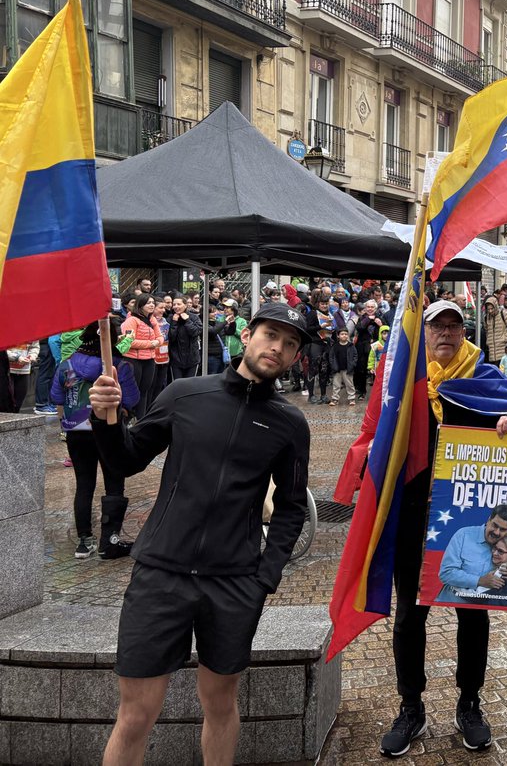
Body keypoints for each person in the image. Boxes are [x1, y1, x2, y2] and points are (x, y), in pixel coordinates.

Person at [87, 302, 312, 766]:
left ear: (295, 357)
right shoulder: (185, 394)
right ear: (246, 336)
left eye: (290, 343)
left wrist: (265, 576)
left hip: (234, 583)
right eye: (271, 335)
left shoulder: (290, 423)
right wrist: (106, 419)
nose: (278, 347)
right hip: (160, 574)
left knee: (221, 703)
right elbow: (125, 459)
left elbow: (292, 506)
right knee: (135, 714)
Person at [381, 300, 507, 757]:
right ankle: (410, 706)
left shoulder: (484, 378)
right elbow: (378, 433)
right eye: (438, 326)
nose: (447, 334)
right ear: (425, 333)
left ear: (464, 333)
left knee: (473, 611)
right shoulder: (405, 382)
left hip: (470, 520)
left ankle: (470, 703)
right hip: (414, 515)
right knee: (410, 615)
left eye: (455, 326)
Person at [50, 317, 140, 559]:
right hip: (109, 431)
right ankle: (109, 541)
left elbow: (56, 398)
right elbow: (131, 399)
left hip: (75, 431)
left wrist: (65, 424)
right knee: (114, 481)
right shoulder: (118, 366)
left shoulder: (67, 365)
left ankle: (84, 541)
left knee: (84, 483)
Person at [435, 505, 507, 606]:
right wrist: (479, 581)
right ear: (489, 520)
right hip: (450, 604)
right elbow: (446, 573)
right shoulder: (463, 535)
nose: (497, 532)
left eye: (502, 529)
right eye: (495, 525)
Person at [121, 294, 162, 419]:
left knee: (144, 391)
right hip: (133, 360)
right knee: (132, 392)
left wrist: (157, 342)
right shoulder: (131, 320)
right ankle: (128, 419)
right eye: (148, 303)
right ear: (140, 305)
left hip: (149, 360)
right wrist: (151, 344)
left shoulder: (152, 320)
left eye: (153, 303)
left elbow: (160, 337)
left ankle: (141, 420)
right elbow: (129, 342)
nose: (152, 305)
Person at [166, 297, 201, 382]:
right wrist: (174, 322)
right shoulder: (170, 318)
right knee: (177, 384)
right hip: (176, 359)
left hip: (192, 358)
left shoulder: (194, 317)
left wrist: (187, 320)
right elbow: (171, 337)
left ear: (185, 305)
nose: (176, 306)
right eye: (174, 304)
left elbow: (195, 332)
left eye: (179, 304)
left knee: (190, 384)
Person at [325, 327, 357, 406]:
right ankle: (335, 399)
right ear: (338, 336)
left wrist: (353, 364)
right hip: (337, 370)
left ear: (348, 335)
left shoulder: (351, 346)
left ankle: (352, 398)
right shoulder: (335, 346)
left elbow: (355, 356)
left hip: (348, 369)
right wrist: (333, 365)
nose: (344, 335)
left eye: (346, 334)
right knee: (336, 385)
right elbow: (331, 356)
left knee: (350, 385)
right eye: (342, 334)